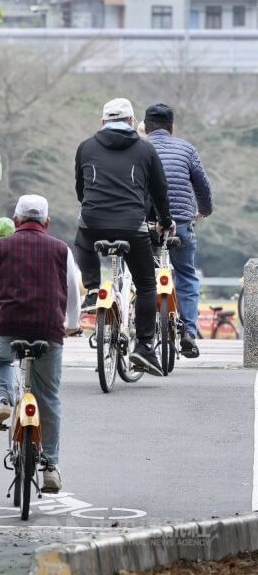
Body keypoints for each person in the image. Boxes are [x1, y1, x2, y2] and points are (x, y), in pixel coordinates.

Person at [0, 195, 80, 492]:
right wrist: (71, 325)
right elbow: (73, 292)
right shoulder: (62, 249)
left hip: (8, 327)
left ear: (16, 221)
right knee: (48, 398)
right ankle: (51, 468)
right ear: (47, 222)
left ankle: (3, 400)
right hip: (49, 330)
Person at [74, 97, 175, 376]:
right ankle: (143, 346)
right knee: (145, 284)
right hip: (132, 225)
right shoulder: (146, 149)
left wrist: (94, 204)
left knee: (82, 240)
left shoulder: (86, 147)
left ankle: (93, 291)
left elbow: (80, 190)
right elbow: (159, 191)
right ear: (132, 122)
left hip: (93, 222)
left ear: (103, 122)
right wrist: (165, 222)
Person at [144, 103, 214, 358]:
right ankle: (189, 333)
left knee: (143, 278)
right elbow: (202, 185)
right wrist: (204, 210)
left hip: (148, 225)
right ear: (172, 128)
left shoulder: (139, 148)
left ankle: (143, 332)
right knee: (185, 275)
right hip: (182, 224)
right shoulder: (186, 148)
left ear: (145, 126)